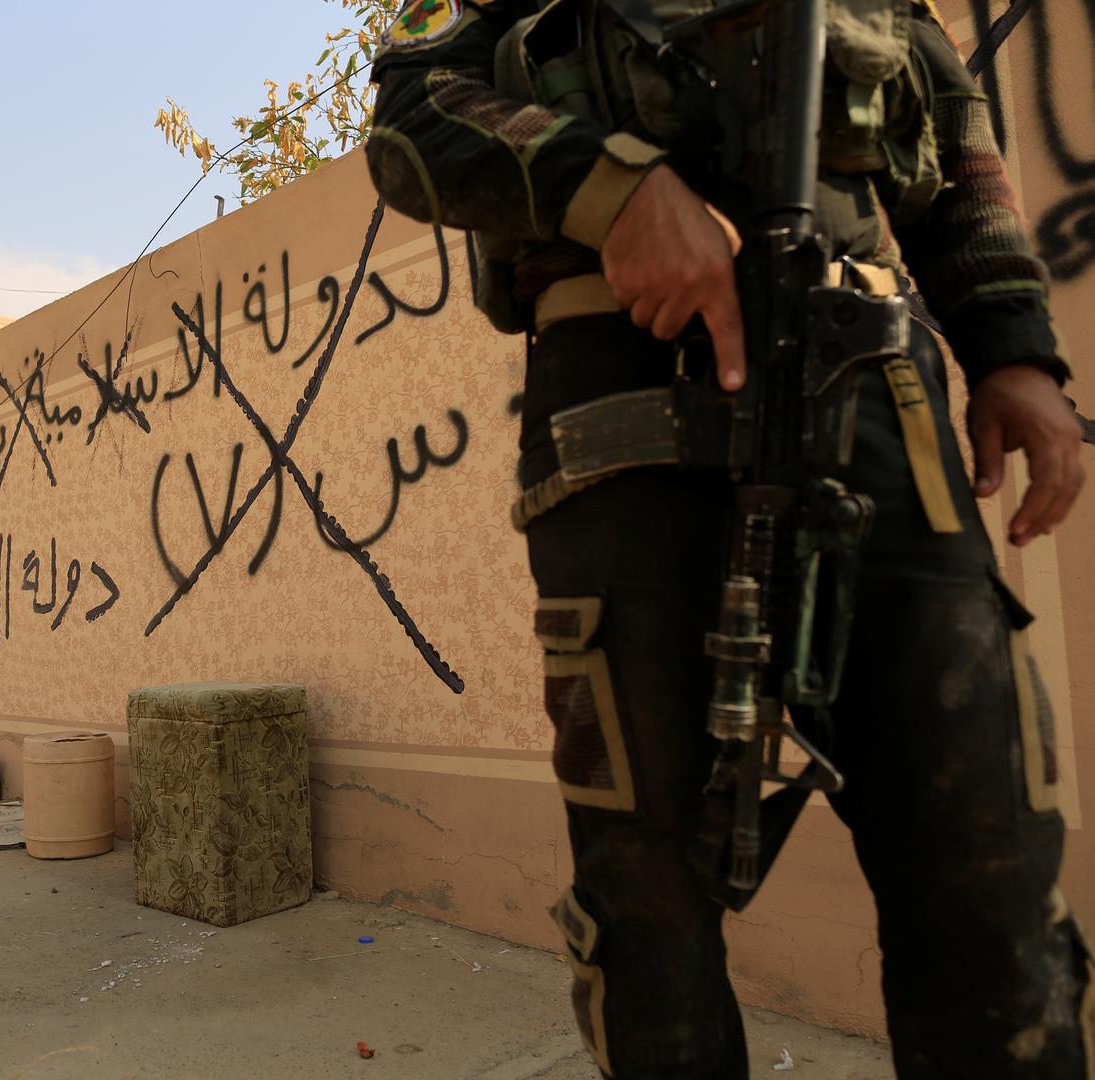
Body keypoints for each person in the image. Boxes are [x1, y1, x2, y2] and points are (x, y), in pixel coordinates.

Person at [366, 0, 1088, 1076]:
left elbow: (957, 144)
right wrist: (615, 192)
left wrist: (1016, 350)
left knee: (985, 851)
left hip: (875, 406)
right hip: (620, 416)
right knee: (645, 891)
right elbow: (412, 118)